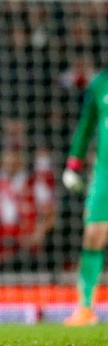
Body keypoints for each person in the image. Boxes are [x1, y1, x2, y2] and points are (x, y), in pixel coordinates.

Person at [62, 67, 108, 326]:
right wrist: (74, 163)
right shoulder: (100, 84)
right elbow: (86, 126)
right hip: (105, 173)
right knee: (93, 235)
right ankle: (85, 307)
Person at [0, 146, 55, 271]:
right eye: (9, 154)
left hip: (28, 252)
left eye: (17, 154)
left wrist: (38, 233)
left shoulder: (35, 184)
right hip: (0, 251)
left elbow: (50, 214)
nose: (12, 159)